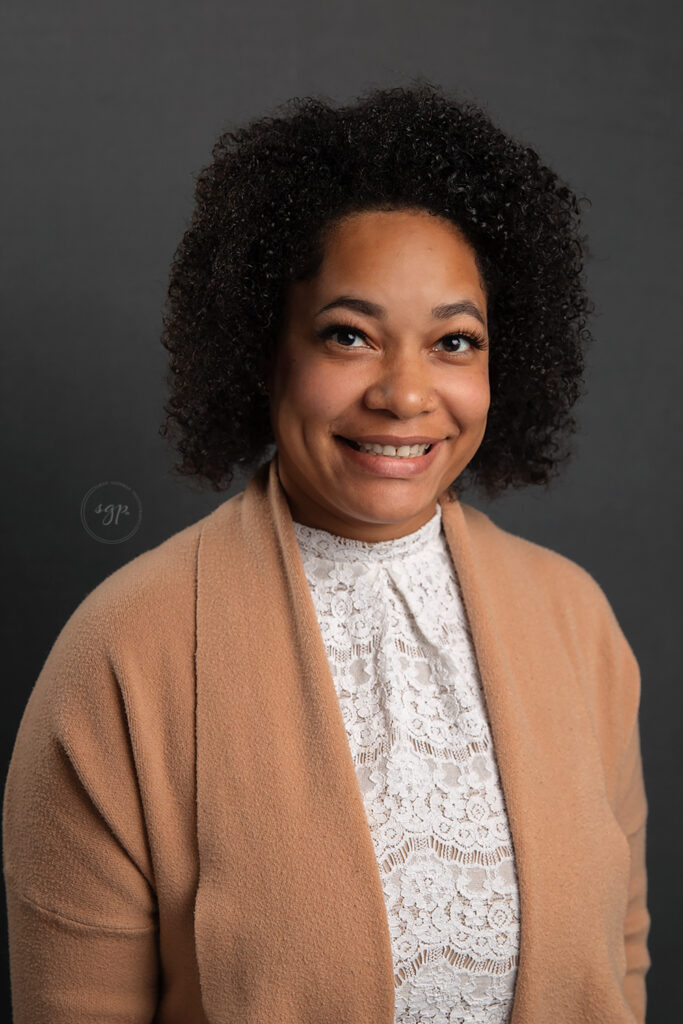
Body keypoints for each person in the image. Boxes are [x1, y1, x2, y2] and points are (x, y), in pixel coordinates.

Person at [2, 81, 650, 1023]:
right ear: (266, 349)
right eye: (349, 335)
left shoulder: (573, 618)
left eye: (453, 342)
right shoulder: (123, 652)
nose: (405, 393)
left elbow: (617, 955)